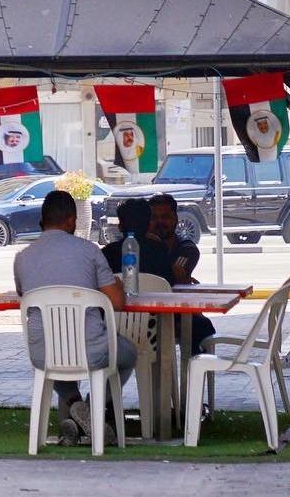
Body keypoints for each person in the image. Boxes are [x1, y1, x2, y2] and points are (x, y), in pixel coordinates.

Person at [14, 190, 136, 444]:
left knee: (56, 355)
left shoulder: (22, 258)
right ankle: (91, 410)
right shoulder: (90, 251)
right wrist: (114, 281)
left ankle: (73, 409)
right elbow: (117, 302)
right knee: (130, 353)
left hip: (42, 353)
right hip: (90, 349)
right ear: (71, 220)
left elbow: (24, 294)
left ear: (42, 220)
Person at [148, 192, 216, 355]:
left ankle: (194, 377)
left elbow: (177, 276)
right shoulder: (137, 247)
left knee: (202, 326)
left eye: (165, 216)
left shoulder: (187, 249)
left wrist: (156, 249)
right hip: (145, 317)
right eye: (154, 217)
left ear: (175, 219)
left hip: (177, 315)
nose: (159, 222)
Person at [99, 198, 174, 283]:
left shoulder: (108, 253)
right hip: (155, 296)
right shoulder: (160, 250)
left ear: (120, 226)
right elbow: (170, 283)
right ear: (149, 225)